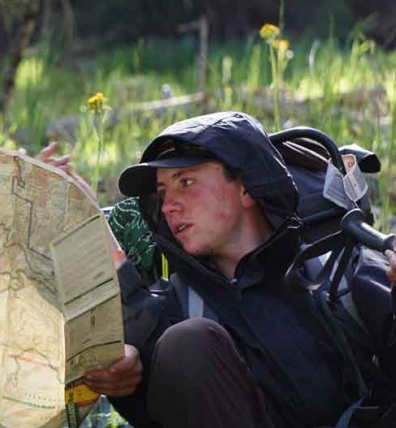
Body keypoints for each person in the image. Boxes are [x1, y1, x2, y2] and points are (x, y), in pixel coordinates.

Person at [39, 111, 396, 428]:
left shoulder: (341, 267)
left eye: (186, 182)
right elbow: (131, 320)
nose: (169, 206)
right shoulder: (179, 308)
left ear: (246, 188)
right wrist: (80, 213)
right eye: (162, 192)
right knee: (187, 342)